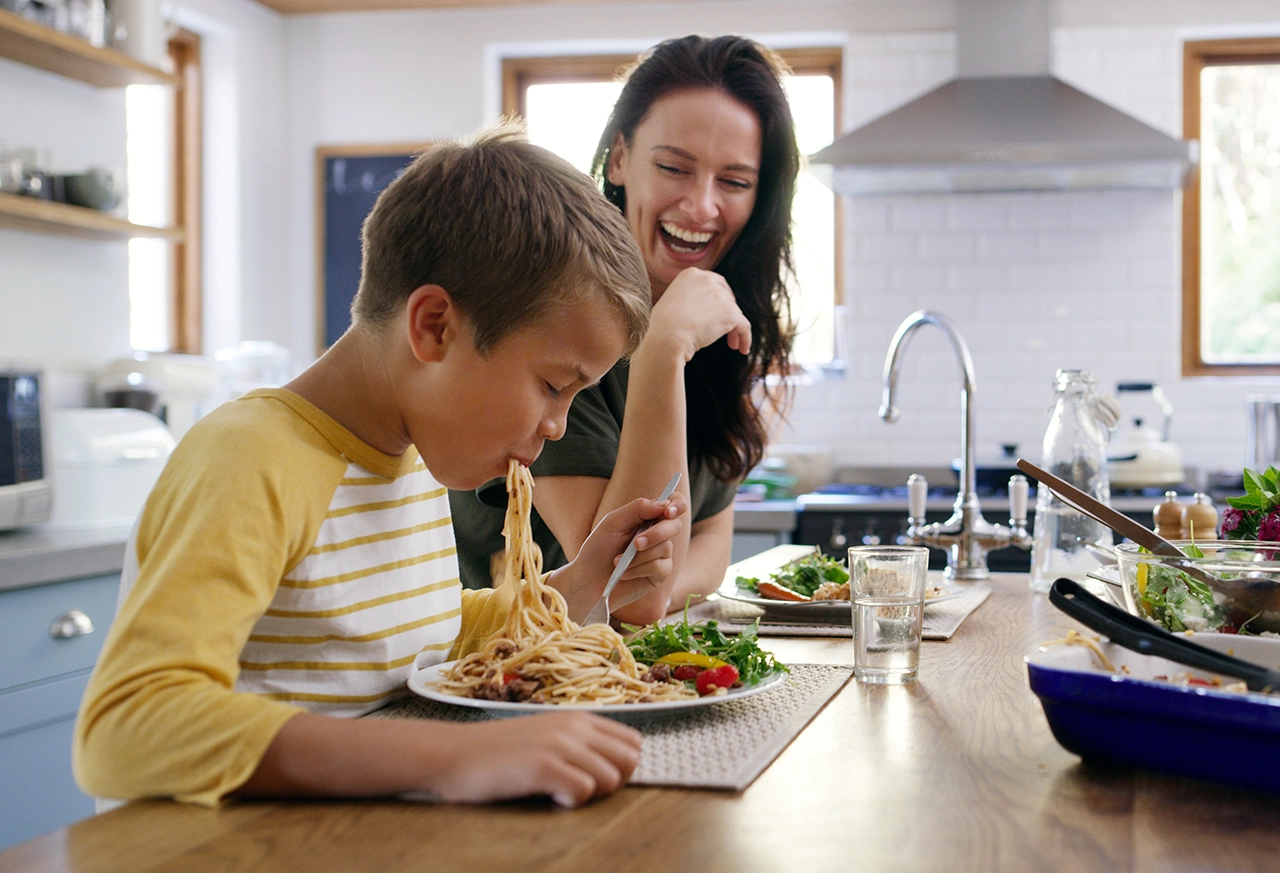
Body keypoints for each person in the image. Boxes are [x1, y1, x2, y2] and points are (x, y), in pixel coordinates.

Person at [73, 126, 688, 810]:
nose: (558, 425)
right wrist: (452, 756)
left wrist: (581, 580)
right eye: (552, 385)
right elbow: (127, 724)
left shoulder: (411, 458)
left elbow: (410, 633)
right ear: (433, 326)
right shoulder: (251, 459)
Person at [450, 34, 799, 623]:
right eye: (673, 167)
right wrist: (662, 348)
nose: (701, 205)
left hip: (617, 679)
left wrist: (661, 590)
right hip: (504, 678)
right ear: (619, 159)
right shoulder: (555, 313)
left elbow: (712, 544)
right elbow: (627, 591)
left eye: (735, 182)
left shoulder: (713, 320)